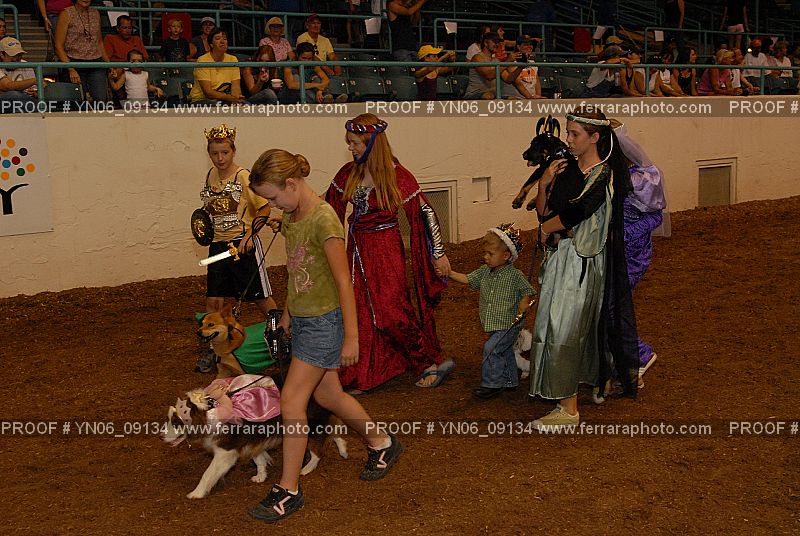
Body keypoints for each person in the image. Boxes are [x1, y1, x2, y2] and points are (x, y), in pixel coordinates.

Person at [246, 148, 404, 523]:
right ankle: (381, 442)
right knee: (328, 395)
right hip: (304, 320)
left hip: (324, 323)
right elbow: (298, 271)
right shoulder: (292, 217)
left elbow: (343, 282)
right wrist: (288, 312)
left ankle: (288, 490)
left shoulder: (324, 220)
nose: (273, 205)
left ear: (291, 184)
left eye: (273, 197)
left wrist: (352, 337)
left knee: (291, 401)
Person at [323, 114, 456, 393]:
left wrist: (438, 253)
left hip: (385, 250)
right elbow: (327, 207)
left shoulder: (397, 175)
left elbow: (425, 211)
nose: (350, 148)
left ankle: (425, 362)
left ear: (372, 143)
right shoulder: (348, 173)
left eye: (355, 143)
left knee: (391, 310)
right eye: (349, 142)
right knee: (359, 309)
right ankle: (365, 372)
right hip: (356, 249)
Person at [529, 109, 639, 430]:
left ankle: (569, 409)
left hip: (581, 262)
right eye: (568, 132)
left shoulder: (604, 174)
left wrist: (546, 228)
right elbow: (545, 212)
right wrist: (544, 184)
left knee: (565, 328)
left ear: (594, 137)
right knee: (558, 325)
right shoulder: (566, 167)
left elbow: (579, 210)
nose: (568, 139)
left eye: (574, 134)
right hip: (560, 259)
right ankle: (587, 384)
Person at [195, 124, 278, 373]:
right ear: (209, 154)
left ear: (233, 151)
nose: (220, 158)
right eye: (215, 153)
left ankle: (284, 337)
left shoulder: (243, 177)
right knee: (214, 299)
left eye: (225, 153)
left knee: (260, 297)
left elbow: (264, 208)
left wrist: (251, 235)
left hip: (242, 245)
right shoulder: (211, 175)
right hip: (218, 246)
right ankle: (214, 351)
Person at [444, 224, 535, 399]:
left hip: (508, 324)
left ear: (506, 256)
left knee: (491, 349)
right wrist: (450, 273)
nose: (485, 257)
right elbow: (468, 279)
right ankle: (510, 381)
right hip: (493, 323)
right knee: (504, 350)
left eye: (490, 254)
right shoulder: (484, 272)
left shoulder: (515, 275)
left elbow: (527, 291)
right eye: (485, 253)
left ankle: (492, 384)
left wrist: (524, 303)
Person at [614, 123, 669, 388]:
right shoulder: (605, 175)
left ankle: (640, 355)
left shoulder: (641, 179)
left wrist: (622, 234)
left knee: (614, 306)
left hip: (633, 255)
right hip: (611, 253)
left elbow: (656, 217)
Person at [54, 0, 109, 103]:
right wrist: (71, 69)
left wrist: (109, 64)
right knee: (78, 102)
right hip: (74, 62)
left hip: (95, 62)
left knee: (101, 100)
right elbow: (58, 45)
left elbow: (99, 42)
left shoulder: (95, 13)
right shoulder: (66, 14)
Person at [463, 32, 525, 100]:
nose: (497, 45)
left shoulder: (496, 61)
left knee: (513, 99)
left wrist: (520, 67)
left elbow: (508, 79)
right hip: (474, 94)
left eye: (498, 42)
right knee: (489, 96)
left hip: (492, 96)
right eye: (495, 42)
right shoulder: (477, 58)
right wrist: (507, 61)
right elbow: (489, 76)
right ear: (486, 43)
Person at [188, 28, 244, 104]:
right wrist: (230, 98)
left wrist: (237, 98)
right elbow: (208, 93)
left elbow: (236, 88)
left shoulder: (233, 59)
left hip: (225, 99)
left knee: (246, 106)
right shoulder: (202, 60)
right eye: (217, 38)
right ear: (211, 44)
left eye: (225, 39)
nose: (222, 41)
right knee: (216, 106)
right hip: (201, 100)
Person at [501, 35, 546, 99]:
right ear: (519, 47)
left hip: (532, 98)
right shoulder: (512, 62)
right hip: (518, 99)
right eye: (526, 45)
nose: (529, 47)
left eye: (531, 44)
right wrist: (530, 97)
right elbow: (518, 83)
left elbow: (537, 81)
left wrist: (538, 95)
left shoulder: (532, 62)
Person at [0, 37, 38, 105]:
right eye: (13, 55)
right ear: (2, 54)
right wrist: (33, 81)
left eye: (19, 55)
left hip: (24, 102)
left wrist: (35, 93)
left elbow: (35, 90)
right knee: (13, 95)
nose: (16, 59)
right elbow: (7, 86)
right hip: (4, 103)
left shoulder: (26, 65)